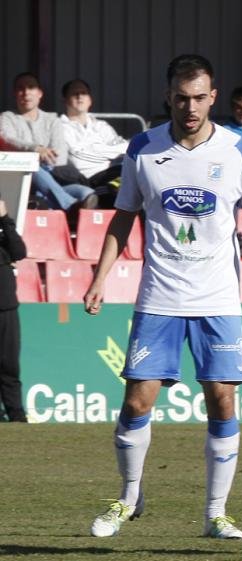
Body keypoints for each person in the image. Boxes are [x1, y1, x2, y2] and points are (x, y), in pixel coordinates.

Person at [82, 54, 242, 540]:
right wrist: (100, 277)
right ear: (168, 96)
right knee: (136, 401)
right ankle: (129, 497)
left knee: (222, 400)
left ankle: (216, 513)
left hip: (218, 300)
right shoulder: (143, 149)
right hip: (160, 297)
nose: (190, 107)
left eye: (199, 98)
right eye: (181, 97)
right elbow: (124, 215)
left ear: (213, 97)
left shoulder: (240, 152)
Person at [0, 72, 97, 213]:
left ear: (39, 93)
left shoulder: (52, 120)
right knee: (31, 166)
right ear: (15, 93)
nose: (26, 92)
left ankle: (62, 206)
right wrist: (36, 149)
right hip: (19, 179)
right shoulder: (6, 118)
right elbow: (8, 140)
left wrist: (43, 160)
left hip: (52, 180)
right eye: (21, 88)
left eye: (31, 87)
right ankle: (69, 206)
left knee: (86, 193)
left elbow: (60, 154)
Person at [58, 78, 128, 190]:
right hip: (82, 180)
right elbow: (77, 159)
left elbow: (125, 148)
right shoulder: (59, 127)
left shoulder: (102, 126)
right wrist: (107, 151)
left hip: (112, 175)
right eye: (74, 93)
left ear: (90, 100)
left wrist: (92, 149)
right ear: (65, 100)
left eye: (83, 93)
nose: (79, 96)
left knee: (134, 166)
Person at [0, 198, 27, 423]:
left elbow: (19, 251)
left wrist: (5, 219)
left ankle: (17, 416)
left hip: (7, 307)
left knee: (9, 365)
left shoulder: (3, 230)